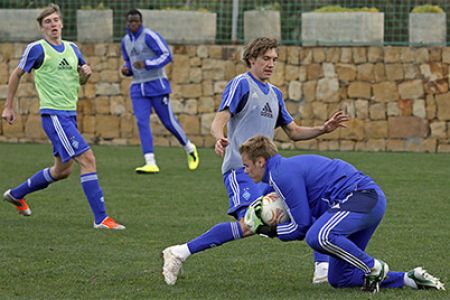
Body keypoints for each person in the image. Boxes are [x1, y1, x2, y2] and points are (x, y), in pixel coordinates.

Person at [161, 37, 349, 285]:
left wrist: (323, 129)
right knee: (251, 223)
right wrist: (220, 138)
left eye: (274, 59)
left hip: (269, 173)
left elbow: (293, 132)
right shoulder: (241, 84)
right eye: (266, 59)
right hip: (241, 171)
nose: (271, 64)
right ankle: (179, 252)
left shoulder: (275, 94)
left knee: (307, 206)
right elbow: (219, 120)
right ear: (252, 59)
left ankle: (322, 268)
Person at [238, 135, 445, 293]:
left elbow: (301, 227)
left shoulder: (281, 174)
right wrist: (255, 222)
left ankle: (373, 267)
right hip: (365, 202)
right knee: (340, 279)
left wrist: (269, 230)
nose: (245, 171)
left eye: (246, 165)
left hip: (362, 197)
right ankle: (410, 278)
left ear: (261, 161)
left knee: (319, 236)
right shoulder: (280, 172)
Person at [1, 4, 125, 230]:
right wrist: (8, 106)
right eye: (48, 22)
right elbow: (16, 74)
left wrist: (85, 75)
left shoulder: (73, 48)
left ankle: (16, 194)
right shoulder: (37, 49)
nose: (53, 25)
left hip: (69, 115)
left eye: (56, 20)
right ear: (42, 28)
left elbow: (79, 80)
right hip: (54, 115)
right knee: (88, 159)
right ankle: (101, 219)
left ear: (62, 24)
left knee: (62, 171)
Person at [120, 9, 199, 174]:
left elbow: (166, 55)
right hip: (137, 87)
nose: (133, 24)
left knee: (168, 122)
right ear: (127, 23)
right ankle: (150, 162)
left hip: (156, 85)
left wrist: (147, 63)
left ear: (141, 22)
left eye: (136, 21)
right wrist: (127, 69)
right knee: (142, 122)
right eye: (130, 21)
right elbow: (128, 61)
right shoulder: (125, 41)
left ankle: (189, 148)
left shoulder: (150, 36)